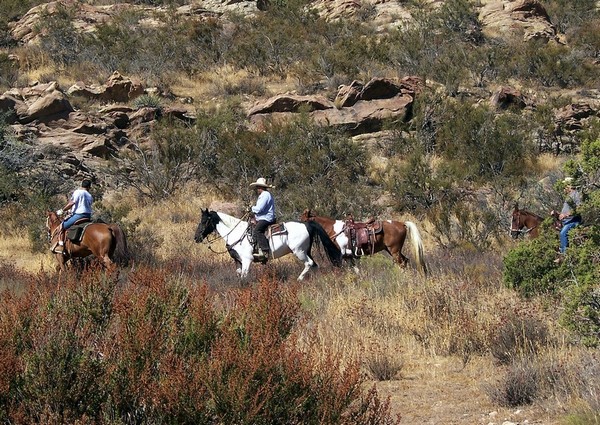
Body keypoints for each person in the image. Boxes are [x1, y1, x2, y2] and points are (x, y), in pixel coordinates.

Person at [52, 179, 94, 254]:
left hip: (78, 215)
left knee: (62, 226)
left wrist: (63, 210)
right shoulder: (89, 195)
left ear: (82, 185)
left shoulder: (78, 192)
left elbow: (72, 203)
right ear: (89, 187)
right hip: (88, 216)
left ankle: (61, 246)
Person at [555, 176, 582, 261]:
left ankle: (564, 255)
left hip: (574, 221)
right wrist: (558, 214)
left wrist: (565, 215)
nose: (564, 188)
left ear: (569, 186)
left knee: (563, 233)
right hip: (567, 220)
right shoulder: (569, 196)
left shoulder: (576, 194)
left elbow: (579, 208)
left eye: (565, 186)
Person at [249, 177, 276, 261]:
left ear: (261, 187)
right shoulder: (264, 195)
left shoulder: (265, 195)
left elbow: (259, 209)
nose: (257, 189)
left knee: (257, 230)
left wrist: (251, 209)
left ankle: (264, 251)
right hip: (263, 217)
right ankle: (256, 248)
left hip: (267, 218)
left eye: (258, 187)